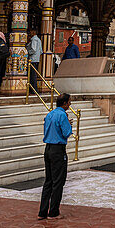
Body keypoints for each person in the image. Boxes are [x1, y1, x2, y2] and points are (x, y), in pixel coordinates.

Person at [38, 92, 73, 220]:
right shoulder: (62, 115)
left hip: (48, 148)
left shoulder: (50, 114)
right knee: (58, 181)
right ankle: (53, 212)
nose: (70, 104)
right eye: (69, 102)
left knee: (49, 180)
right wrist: (69, 124)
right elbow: (66, 132)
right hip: (58, 149)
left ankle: (42, 211)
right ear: (64, 103)